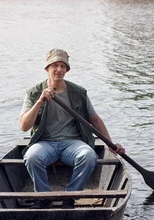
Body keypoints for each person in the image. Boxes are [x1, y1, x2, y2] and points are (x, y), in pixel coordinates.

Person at [19, 48, 125, 209]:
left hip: (73, 142)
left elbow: (94, 119)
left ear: (67, 70)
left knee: (89, 156)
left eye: (63, 66)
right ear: (47, 68)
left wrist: (111, 145)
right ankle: (44, 197)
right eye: (55, 65)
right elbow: (24, 126)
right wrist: (40, 101)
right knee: (32, 157)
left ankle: (70, 196)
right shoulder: (34, 93)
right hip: (45, 143)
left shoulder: (78, 93)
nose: (59, 69)